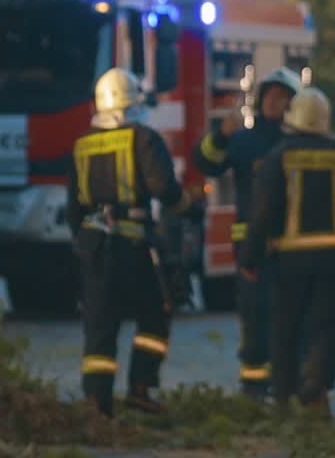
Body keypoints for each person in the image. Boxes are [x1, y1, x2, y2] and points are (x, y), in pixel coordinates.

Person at [66, 68, 203, 418]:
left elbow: (73, 206)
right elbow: (163, 189)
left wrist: (82, 244)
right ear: (134, 102)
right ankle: (140, 389)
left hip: (94, 245)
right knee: (156, 312)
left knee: (99, 323)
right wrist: (189, 205)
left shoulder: (81, 144)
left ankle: (96, 403)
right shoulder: (142, 138)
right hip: (133, 245)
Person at [238, 86, 335, 417]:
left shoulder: (279, 156)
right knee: (328, 327)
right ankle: (317, 391)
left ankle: (285, 399)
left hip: (289, 262)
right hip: (334, 262)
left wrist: (250, 259)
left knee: (285, 329)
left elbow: (263, 211)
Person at [191, 66, 303, 399]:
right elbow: (206, 163)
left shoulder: (298, 143)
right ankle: (253, 389)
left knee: (289, 316)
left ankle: (288, 388)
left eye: (282, 97)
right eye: (269, 96)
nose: (274, 102)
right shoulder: (244, 142)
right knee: (254, 318)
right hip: (252, 249)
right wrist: (220, 136)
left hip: (291, 248)